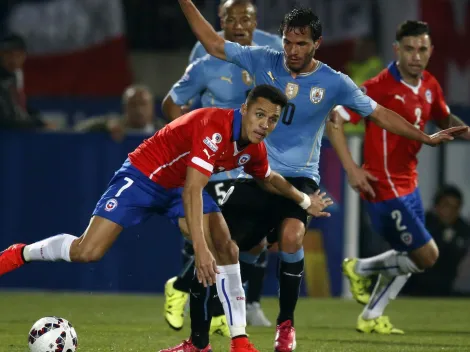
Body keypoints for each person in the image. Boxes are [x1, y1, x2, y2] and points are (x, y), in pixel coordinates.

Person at [174, 3, 467, 351]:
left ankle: (285, 324)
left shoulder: (333, 82)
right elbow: (212, 42)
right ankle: (197, 339)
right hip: (256, 172)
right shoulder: (263, 59)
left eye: (301, 44)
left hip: (299, 177)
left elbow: (381, 114)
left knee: (292, 237)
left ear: (317, 43)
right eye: (287, 42)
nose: (292, 51)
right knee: (216, 244)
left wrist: (425, 136)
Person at [0, 85, 333, 352]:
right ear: (244, 109)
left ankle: (239, 340)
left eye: (272, 119)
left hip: (179, 185)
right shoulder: (213, 126)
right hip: (144, 176)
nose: (265, 124)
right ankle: (21, 253)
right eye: (259, 114)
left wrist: (303, 199)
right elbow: (193, 190)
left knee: (227, 248)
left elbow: (268, 177)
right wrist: (200, 251)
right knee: (88, 251)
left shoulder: (253, 147)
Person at [327, 20, 470, 334]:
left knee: (414, 256)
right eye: (409, 49)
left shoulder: (430, 84)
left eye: (422, 49)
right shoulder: (378, 86)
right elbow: (335, 117)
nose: (415, 56)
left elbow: (444, 118)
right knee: (427, 254)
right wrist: (351, 168)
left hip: (410, 183)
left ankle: (371, 315)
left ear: (431, 51)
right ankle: (360, 267)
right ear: (397, 50)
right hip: (382, 186)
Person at [162, 0, 272, 332]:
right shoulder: (207, 60)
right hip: (213, 166)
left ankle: (199, 297)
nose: (239, 25)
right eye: (231, 19)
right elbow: (172, 103)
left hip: (248, 161)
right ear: (220, 22)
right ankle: (215, 312)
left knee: (254, 239)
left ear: (256, 23)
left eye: (246, 19)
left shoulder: (269, 55)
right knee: (219, 242)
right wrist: (188, 140)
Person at [404, 185, 470, 296]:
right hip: (417, 286)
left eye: (455, 207)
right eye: (447, 206)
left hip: (449, 288)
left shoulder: (463, 229)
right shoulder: (422, 225)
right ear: (437, 206)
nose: (450, 211)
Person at [75, 85, 166, 142]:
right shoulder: (114, 126)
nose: (139, 109)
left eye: (143, 104)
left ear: (152, 106)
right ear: (125, 107)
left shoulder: (164, 131)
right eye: (133, 104)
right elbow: (78, 130)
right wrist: (105, 125)